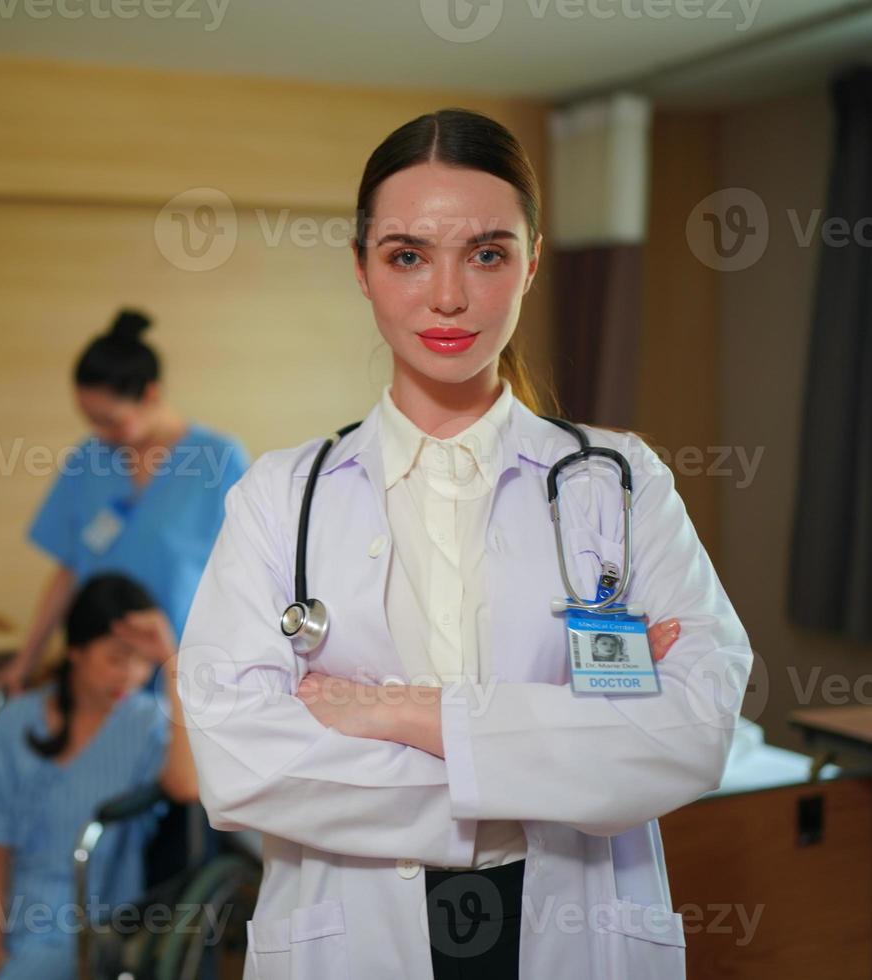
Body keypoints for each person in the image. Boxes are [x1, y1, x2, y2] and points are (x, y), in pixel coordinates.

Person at [177, 108, 751, 978]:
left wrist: (401, 714)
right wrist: (556, 765)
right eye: (408, 255)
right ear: (363, 270)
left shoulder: (620, 484)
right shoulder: (278, 498)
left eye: (487, 253)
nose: (448, 296)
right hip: (354, 934)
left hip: (572, 925)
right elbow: (241, 760)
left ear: (531, 262)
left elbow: (695, 729)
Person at [0, 574, 196, 979]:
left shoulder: (148, 722)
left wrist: (172, 661)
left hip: (83, 913)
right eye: (116, 659)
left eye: (142, 661)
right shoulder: (14, 723)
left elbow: (185, 786)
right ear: (76, 651)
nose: (130, 675)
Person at [0, 310, 249, 695]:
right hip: (101, 674)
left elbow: (246, 580)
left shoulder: (220, 460)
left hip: (185, 670)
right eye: (89, 419)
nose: (99, 433)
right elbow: (68, 569)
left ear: (150, 394)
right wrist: (26, 660)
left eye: (109, 419)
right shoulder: (89, 459)